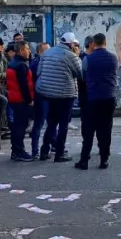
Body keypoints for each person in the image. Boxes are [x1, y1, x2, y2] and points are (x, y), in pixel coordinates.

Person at [36, 32, 83, 162]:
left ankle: (44, 151)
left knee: (51, 124)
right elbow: (79, 73)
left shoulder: (47, 53)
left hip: (47, 93)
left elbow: (39, 72)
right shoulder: (71, 55)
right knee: (63, 125)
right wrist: (77, 56)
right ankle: (60, 153)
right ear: (71, 44)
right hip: (65, 94)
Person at [76, 33, 119, 170]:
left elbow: (82, 76)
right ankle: (104, 160)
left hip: (92, 99)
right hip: (109, 97)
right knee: (105, 130)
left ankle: (84, 161)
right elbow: (114, 74)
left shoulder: (88, 59)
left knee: (89, 130)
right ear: (105, 42)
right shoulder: (113, 58)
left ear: (94, 43)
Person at [6, 41, 36, 162]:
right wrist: (29, 100)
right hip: (20, 99)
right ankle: (19, 151)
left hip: (14, 98)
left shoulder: (13, 63)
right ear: (21, 51)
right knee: (20, 126)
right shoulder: (21, 65)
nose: (29, 51)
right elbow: (24, 85)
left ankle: (16, 150)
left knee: (17, 126)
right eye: (27, 49)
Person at [30, 42, 51, 158]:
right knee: (39, 124)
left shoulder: (42, 62)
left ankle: (53, 145)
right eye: (46, 50)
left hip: (47, 96)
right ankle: (35, 150)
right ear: (39, 52)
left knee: (51, 123)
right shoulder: (36, 63)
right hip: (41, 97)